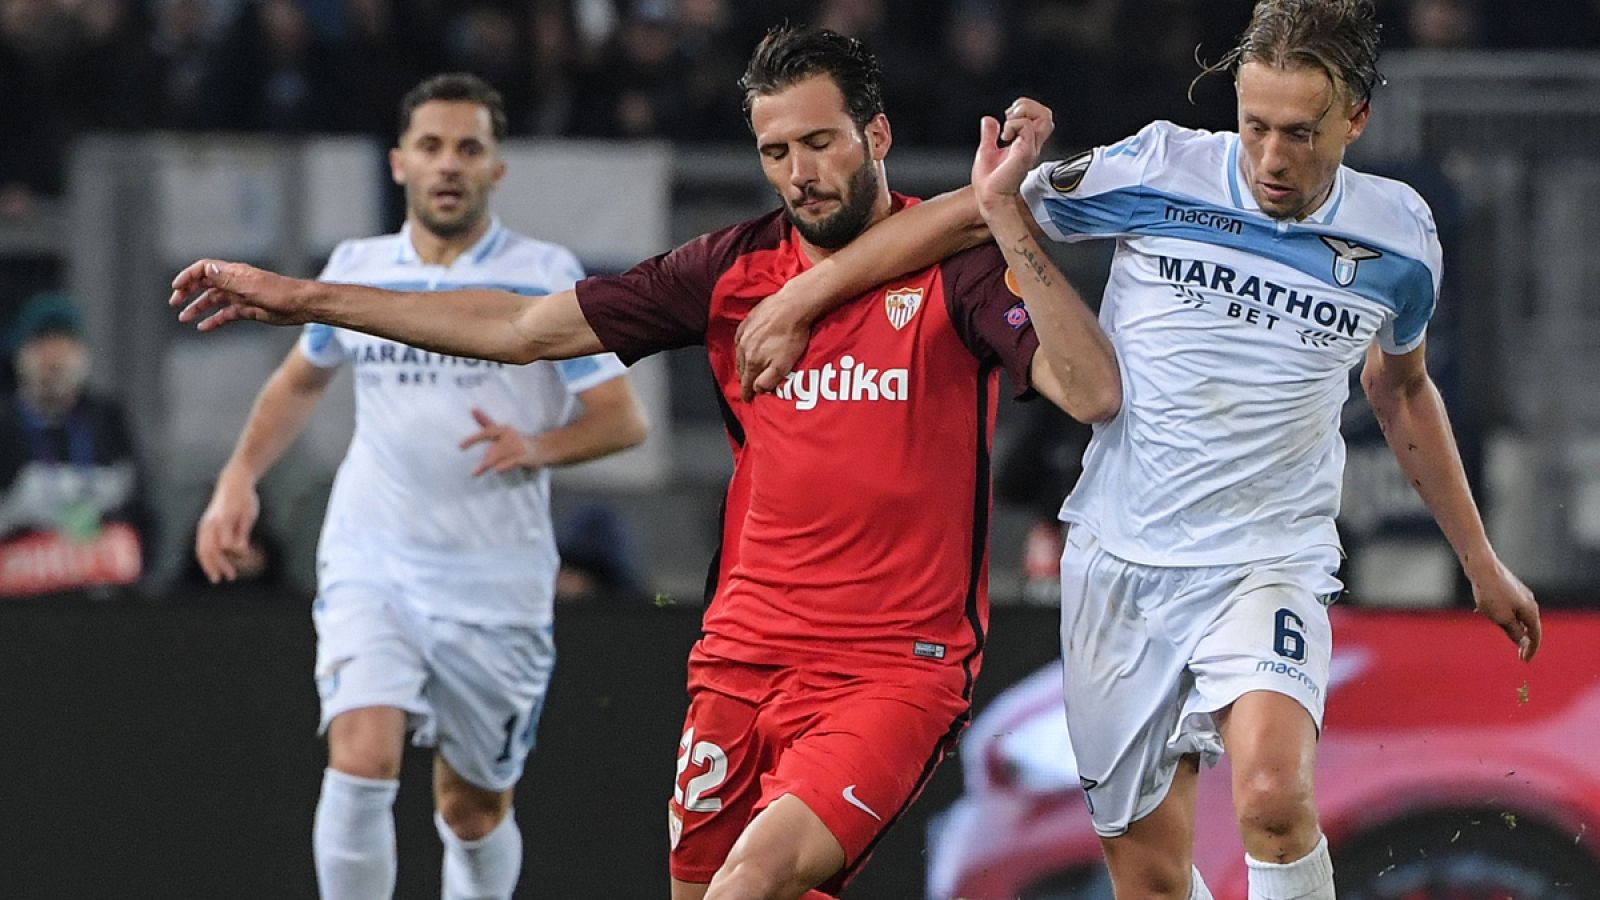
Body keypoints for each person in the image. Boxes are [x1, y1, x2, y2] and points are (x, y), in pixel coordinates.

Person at [170, 27, 1121, 900]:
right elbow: (520, 326)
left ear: (876, 134)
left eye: (822, 142)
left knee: (749, 885)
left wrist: (1006, 224)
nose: (801, 173)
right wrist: (304, 298)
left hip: (893, 670)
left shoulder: (955, 269)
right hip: (740, 658)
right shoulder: (726, 271)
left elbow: (1090, 392)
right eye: (777, 152)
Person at [729, 2, 1542, 898]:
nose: (1271, 159)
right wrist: (803, 299)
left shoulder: (1400, 237)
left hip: (1267, 562)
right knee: (1150, 879)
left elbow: (1402, 388)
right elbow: (973, 216)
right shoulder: (1157, 167)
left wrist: (1482, 562)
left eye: (1300, 134)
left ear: (1355, 120)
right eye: (1255, 126)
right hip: (1119, 567)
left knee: (1273, 796)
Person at [190, 73, 647, 900]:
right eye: (431, 147)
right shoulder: (357, 270)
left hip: (495, 580)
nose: (449, 164)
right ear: (399, 163)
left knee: (471, 811)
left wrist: (537, 446)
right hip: (375, 557)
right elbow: (300, 379)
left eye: (468, 148)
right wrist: (237, 480)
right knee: (360, 758)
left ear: (496, 169)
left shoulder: (545, 275)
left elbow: (623, 420)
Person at [0, 291, 152, 596]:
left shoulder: (107, 421)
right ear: (21, 356)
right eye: (42, 346)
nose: (54, 359)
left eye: (64, 346)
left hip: (99, 599)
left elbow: (143, 514)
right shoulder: (6, 424)